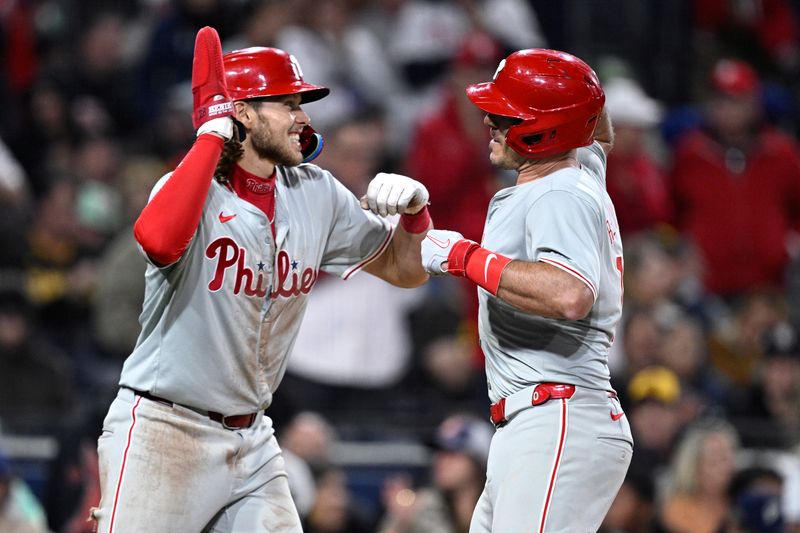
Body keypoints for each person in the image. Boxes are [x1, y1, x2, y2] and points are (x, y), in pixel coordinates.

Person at [92, 27, 431, 533]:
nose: (304, 118)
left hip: (253, 437)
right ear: (243, 113)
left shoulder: (316, 191)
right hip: (166, 430)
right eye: (288, 104)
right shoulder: (190, 189)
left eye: (302, 104)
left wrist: (415, 216)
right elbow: (160, 241)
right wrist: (211, 135)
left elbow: (406, 271)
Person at [418, 49, 633, 531]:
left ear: (548, 128)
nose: (490, 122)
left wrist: (462, 257)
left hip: (557, 414)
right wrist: (576, 87)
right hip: (544, 417)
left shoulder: (559, 192)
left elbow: (569, 293)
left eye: (507, 114)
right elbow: (599, 132)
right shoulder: (578, 168)